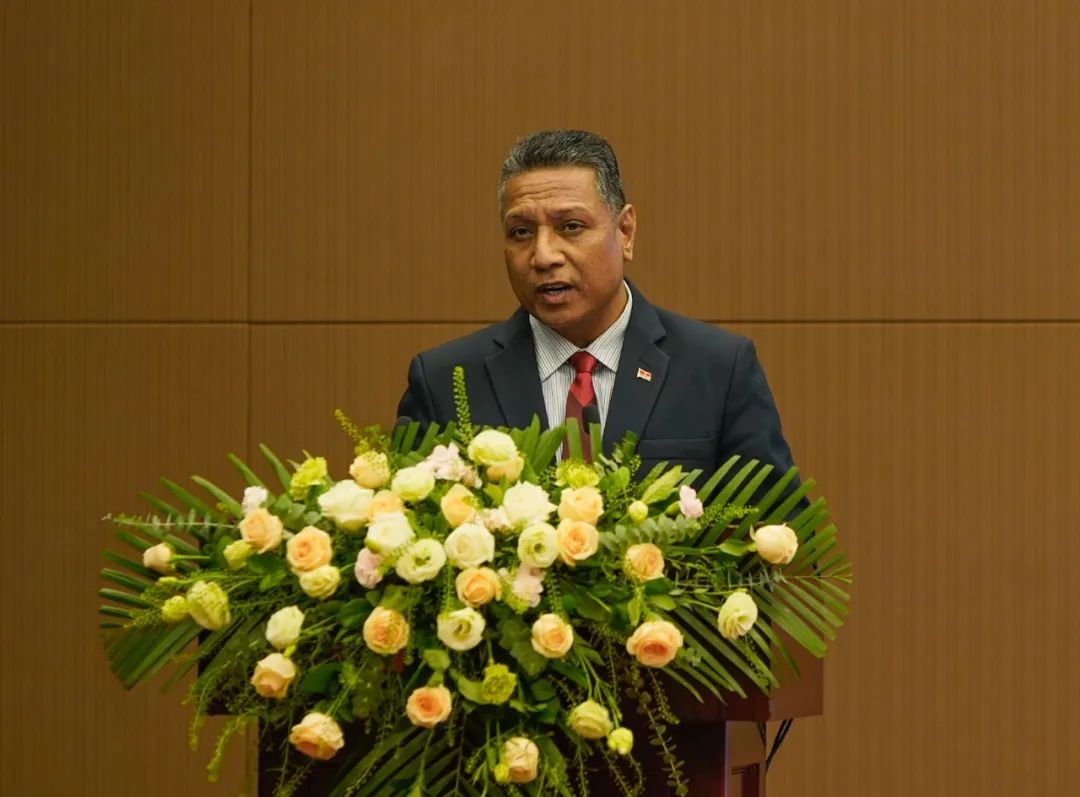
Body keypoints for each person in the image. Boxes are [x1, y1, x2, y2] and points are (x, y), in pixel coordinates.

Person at [395, 130, 800, 795]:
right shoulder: (447, 379)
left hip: (675, 737)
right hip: (491, 746)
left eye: (570, 227)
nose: (543, 255)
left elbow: (783, 542)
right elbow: (403, 557)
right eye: (520, 232)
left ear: (626, 230)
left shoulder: (716, 368)